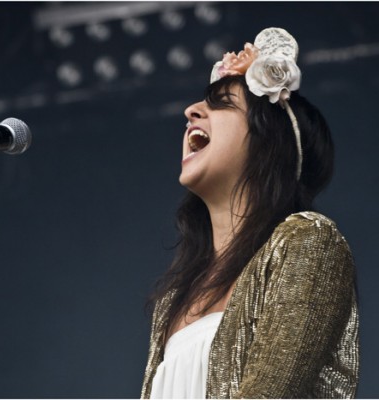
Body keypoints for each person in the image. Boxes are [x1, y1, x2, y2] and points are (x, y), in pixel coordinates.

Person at [141, 27, 359, 399]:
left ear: (267, 141)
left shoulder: (308, 241)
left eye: (223, 103)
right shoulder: (172, 301)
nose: (190, 111)